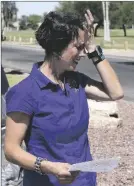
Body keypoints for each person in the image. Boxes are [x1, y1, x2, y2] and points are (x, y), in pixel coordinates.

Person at [4, 10, 124, 186]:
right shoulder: (24, 92)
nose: (83, 54)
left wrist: (92, 49)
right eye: (78, 47)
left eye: (84, 47)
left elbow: (115, 92)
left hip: (85, 181)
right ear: (56, 47)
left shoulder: (76, 82)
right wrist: (49, 167)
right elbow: (11, 150)